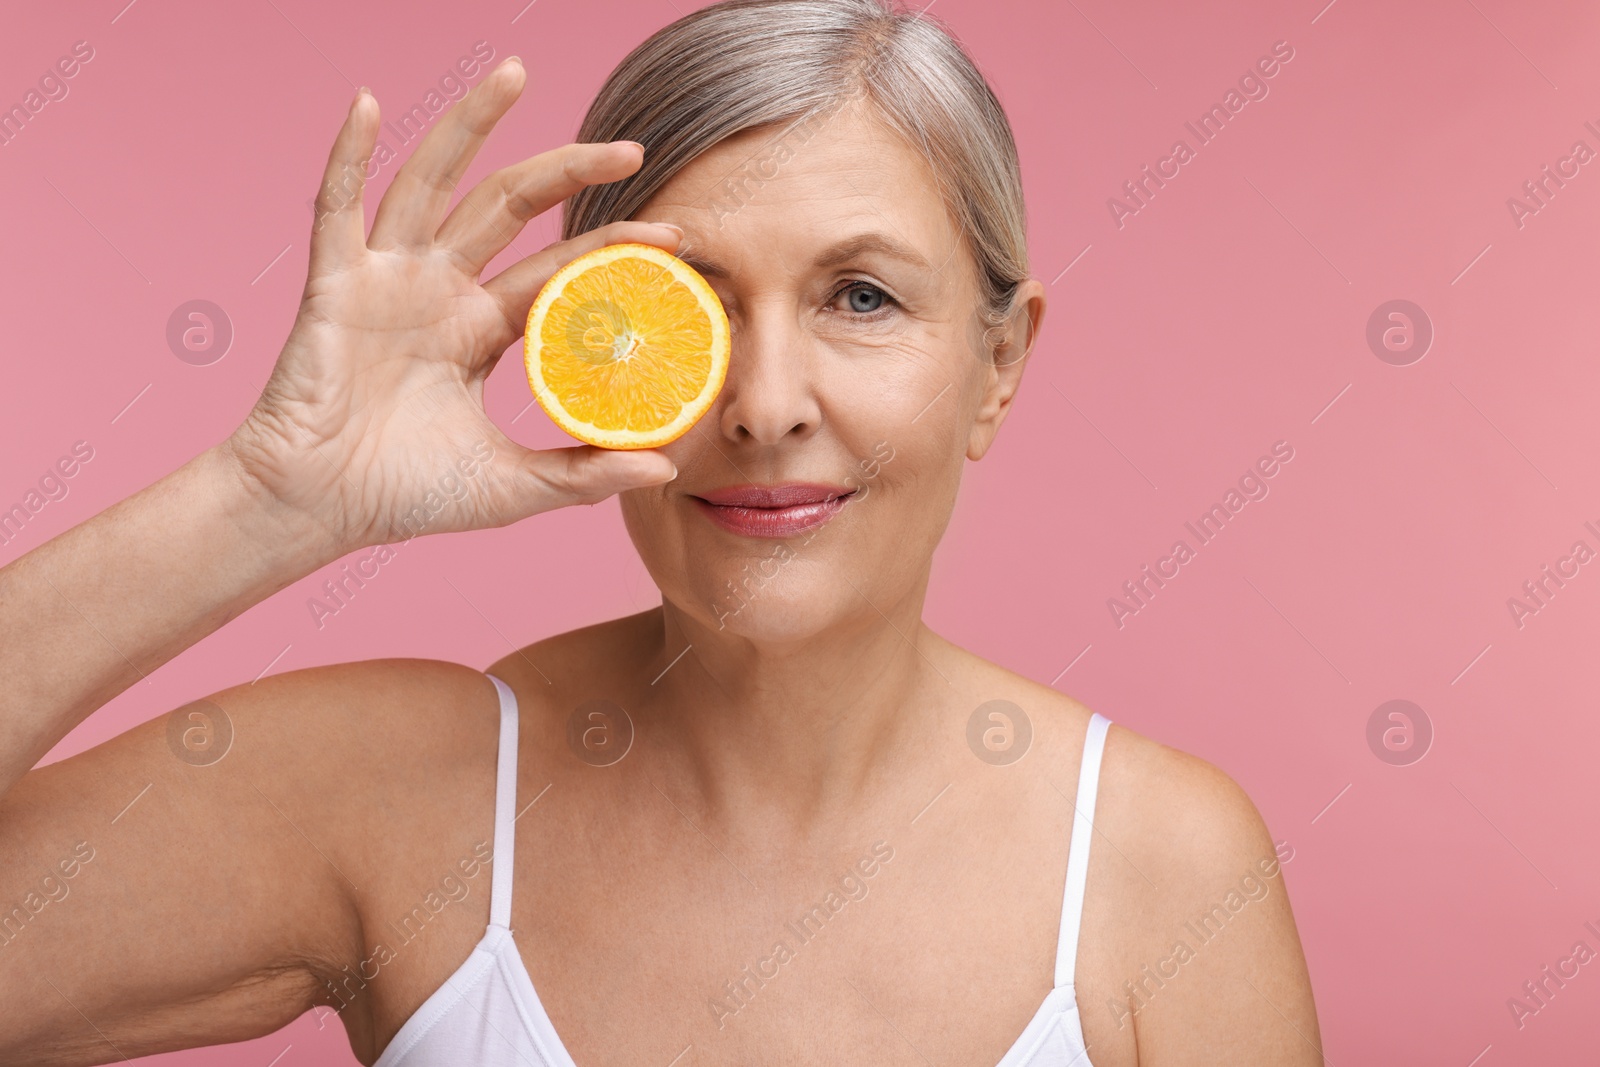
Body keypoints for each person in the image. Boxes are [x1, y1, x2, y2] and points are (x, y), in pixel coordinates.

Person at [0, 0, 1322, 1063]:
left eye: (860, 296)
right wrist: (268, 499)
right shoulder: (400, 795)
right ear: (591, 340)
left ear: (998, 365)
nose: (762, 405)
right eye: (691, 299)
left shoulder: (1160, 870)